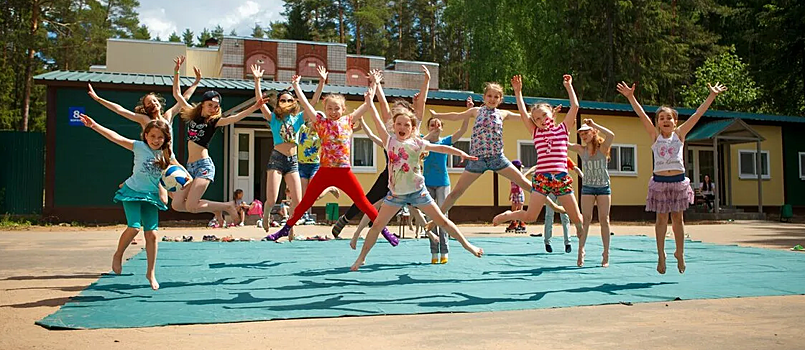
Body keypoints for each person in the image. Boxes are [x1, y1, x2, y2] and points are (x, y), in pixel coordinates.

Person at [351, 86, 483, 271]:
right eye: (399, 124)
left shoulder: (418, 143)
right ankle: (361, 258)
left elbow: (442, 148)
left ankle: (467, 245)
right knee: (377, 226)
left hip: (418, 193)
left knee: (442, 221)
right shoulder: (389, 141)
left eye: (407, 125)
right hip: (395, 194)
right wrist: (369, 101)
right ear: (394, 126)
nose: (402, 127)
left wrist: (461, 152)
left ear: (413, 129)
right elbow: (376, 118)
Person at [263, 76, 398, 245]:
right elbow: (306, 105)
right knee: (305, 203)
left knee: (363, 202)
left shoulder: (348, 120)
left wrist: (373, 89)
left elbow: (365, 106)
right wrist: (297, 87)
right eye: (330, 108)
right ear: (325, 109)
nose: (333, 112)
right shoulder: (320, 122)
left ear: (343, 109)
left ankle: (383, 230)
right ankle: (285, 229)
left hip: (344, 172)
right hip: (325, 171)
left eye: (337, 108)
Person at [617, 80, 727, 274]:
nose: (665, 120)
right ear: (657, 122)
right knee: (661, 220)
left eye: (669, 117)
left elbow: (697, 114)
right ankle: (661, 255)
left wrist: (711, 95)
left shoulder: (680, 134)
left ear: (675, 121)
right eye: (661, 118)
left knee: (678, 219)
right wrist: (630, 97)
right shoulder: (654, 136)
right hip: (660, 182)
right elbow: (641, 115)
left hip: (678, 182)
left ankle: (680, 252)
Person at [492, 74, 585, 267]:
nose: (541, 120)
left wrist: (569, 87)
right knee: (531, 217)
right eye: (537, 118)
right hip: (542, 178)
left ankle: (580, 249)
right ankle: (510, 215)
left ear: (552, 113)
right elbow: (523, 113)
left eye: (544, 115)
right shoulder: (535, 131)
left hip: (561, 178)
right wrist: (518, 92)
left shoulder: (563, 129)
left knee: (577, 218)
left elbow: (574, 107)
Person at [330, 66, 434, 238]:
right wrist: (376, 84)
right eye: (395, 114)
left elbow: (421, 103)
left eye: (402, 114)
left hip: (410, 175)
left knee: (415, 205)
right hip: (390, 173)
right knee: (369, 199)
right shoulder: (391, 128)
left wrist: (426, 81)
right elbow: (383, 103)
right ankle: (346, 219)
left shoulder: (413, 128)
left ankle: (430, 234)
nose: (399, 119)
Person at [87, 56, 202, 205]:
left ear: (159, 103)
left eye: (154, 100)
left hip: (169, 158)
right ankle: (133, 185)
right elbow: (120, 110)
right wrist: (98, 99)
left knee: (187, 186)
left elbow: (183, 97)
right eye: (149, 102)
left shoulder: (168, 117)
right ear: (146, 107)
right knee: (164, 199)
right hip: (154, 159)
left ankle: (213, 209)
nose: (153, 103)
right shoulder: (145, 120)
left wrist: (194, 81)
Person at [79, 114, 175, 290]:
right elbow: (116, 137)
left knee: (152, 234)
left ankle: (150, 272)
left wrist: (166, 191)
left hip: (151, 196)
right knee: (134, 227)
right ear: (145, 135)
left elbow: (167, 176)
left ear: (166, 138)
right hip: (132, 192)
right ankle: (118, 255)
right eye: (152, 136)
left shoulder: (166, 153)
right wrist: (94, 125)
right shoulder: (138, 147)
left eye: (160, 137)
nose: (156, 140)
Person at [171, 61, 268, 226]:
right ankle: (221, 207)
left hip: (204, 166)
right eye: (210, 105)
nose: (213, 109)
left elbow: (234, 118)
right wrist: (176, 72)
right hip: (190, 167)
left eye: (216, 107)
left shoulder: (214, 122)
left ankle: (226, 207)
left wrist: (254, 107)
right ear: (203, 104)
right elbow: (177, 95)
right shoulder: (193, 115)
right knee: (177, 205)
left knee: (192, 205)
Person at [422, 98, 472, 262]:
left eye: (438, 125)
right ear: (428, 128)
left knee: (442, 216)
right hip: (426, 183)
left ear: (442, 128)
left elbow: (463, 130)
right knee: (430, 218)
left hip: (443, 183)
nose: (435, 128)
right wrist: (430, 135)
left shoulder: (445, 142)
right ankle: (434, 252)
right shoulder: (423, 141)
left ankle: (445, 251)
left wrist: (467, 112)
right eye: (432, 125)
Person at [570, 118, 615, 267]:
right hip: (588, 188)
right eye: (581, 133)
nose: (583, 135)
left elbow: (611, 135)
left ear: (593, 132)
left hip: (603, 187)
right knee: (586, 219)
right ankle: (581, 250)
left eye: (586, 132)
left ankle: (606, 253)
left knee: (604, 219)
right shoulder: (581, 150)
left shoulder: (602, 148)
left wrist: (594, 124)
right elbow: (563, 144)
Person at [506, 160, 527, 233]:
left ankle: (522, 223)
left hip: (519, 193)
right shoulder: (511, 176)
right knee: (513, 209)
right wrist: (510, 194)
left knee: (519, 209)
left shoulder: (519, 175)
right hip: (514, 194)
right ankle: (514, 222)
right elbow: (511, 186)